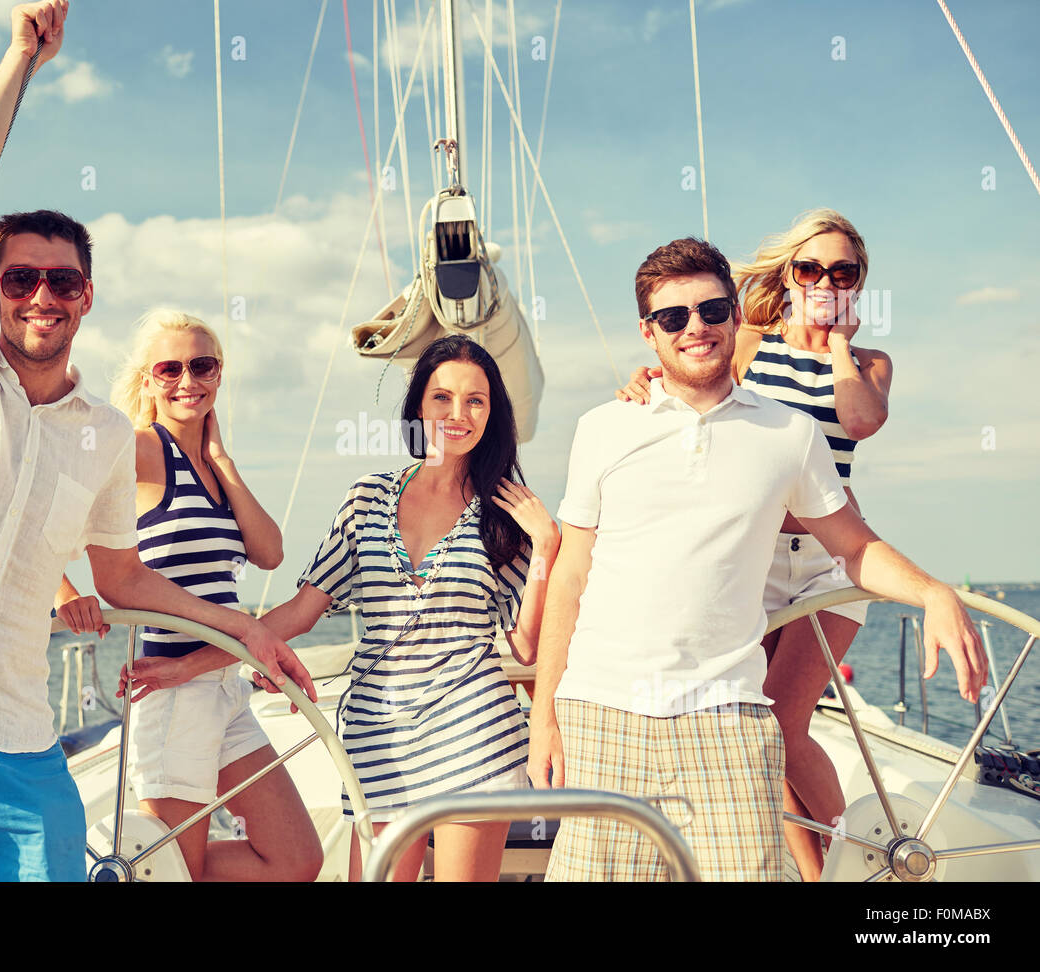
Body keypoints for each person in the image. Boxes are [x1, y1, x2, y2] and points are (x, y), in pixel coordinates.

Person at [0, 2, 310, 882]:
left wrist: (243, 627)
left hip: (17, 730)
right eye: (20, 278)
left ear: (87, 296)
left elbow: (122, 577)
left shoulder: (103, 435)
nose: (40, 295)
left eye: (62, 280)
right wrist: (22, 60)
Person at [529, 236, 986, 881]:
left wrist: (935, 593)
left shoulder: (789, 434)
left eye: (712, 311)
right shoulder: (603, 427)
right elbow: (570, 574)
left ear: (735, 316)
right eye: (673, 317)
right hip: (605, 714)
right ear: (648, 333)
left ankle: (842, 858)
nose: (696, 328)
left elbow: (853, 547)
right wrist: (545, 714)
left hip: (728, 721)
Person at [615, 210, 891, 880]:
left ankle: (865, 856)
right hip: (751, 562)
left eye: (843, 271)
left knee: (780, 724)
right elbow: (687, 369)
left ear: (859, 282)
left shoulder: (869, 364)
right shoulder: (748, 342)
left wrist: (835, 348)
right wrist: (640, 385)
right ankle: (817, 871)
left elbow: (858, 419)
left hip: (830, 563)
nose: (826, 280)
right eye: (811, 267)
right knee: (761, 733)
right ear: (790, 275)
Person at [256, 335, 561, 881]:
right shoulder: (366, 499)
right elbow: (301, 611)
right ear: (418, 404)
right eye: (442, 397)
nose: (458, 414)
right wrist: (201, 654)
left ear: (493, 413)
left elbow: (525, 644)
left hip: (473, 727)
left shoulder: (506, 513)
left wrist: (545, 547)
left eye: (476, 400)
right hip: (377, 731)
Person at [57, 309, 322, 881]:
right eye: (169, 368)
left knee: (297, 860)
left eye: (202, 366)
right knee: (171, 869)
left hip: (226, 685)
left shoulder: (211, 464)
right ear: (148, 379)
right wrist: (63, 590)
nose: (187, 381)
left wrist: (222, 460)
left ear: (219, 374)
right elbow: (42, 508)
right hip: (170, 688)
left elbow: (269, 552)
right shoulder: (137, 448)